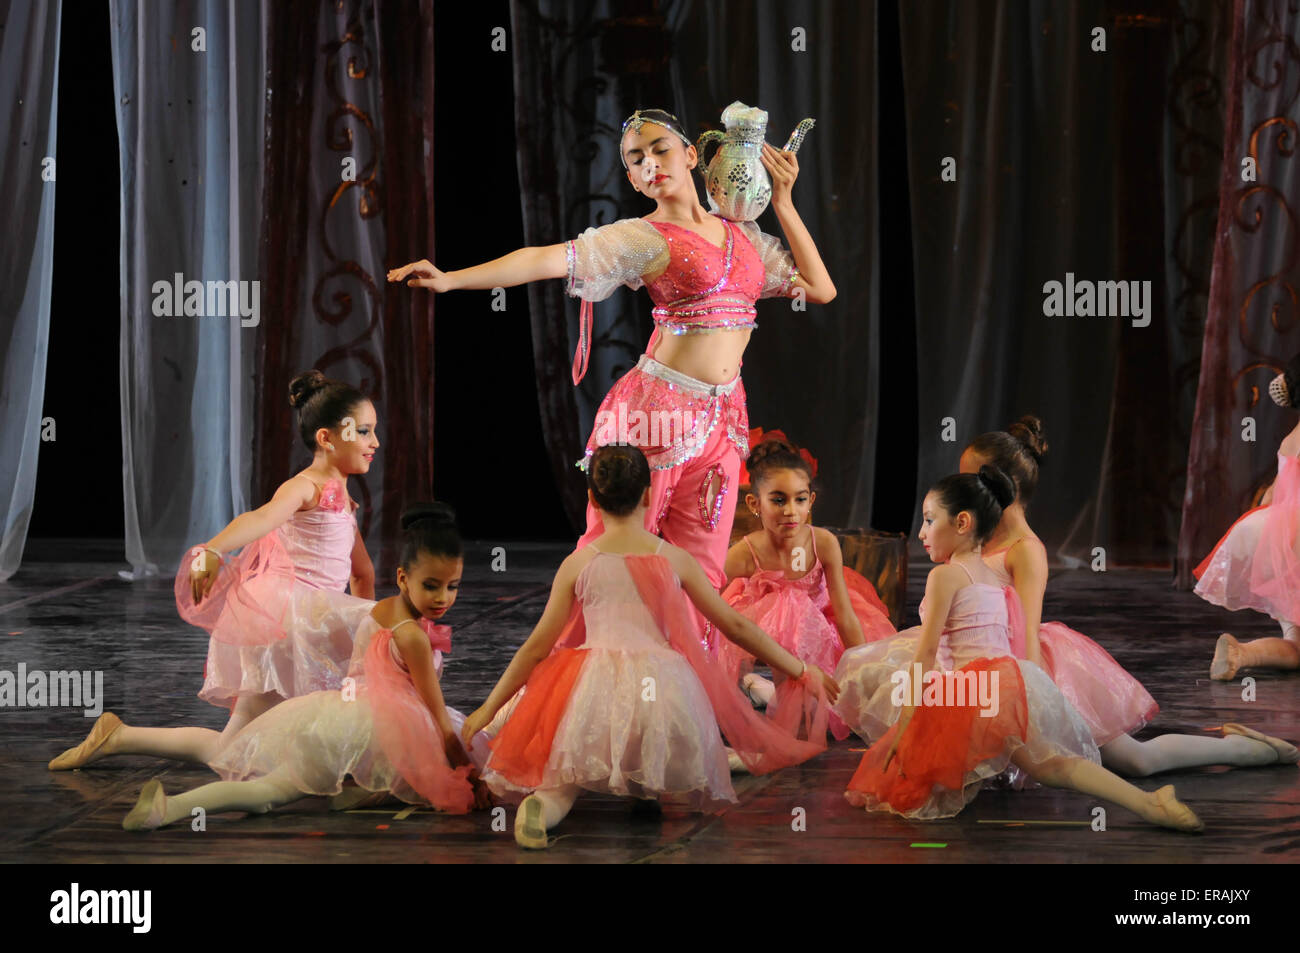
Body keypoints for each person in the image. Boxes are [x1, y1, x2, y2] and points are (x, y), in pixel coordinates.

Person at [387, 107, 836, 593]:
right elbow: (545, 259)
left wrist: (785, 204)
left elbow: (819, 287)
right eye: (636, 159)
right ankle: (592, 659)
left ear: (691, 155)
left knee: (703, 569)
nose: (650, 163)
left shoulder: (743, 237)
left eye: (660, 150)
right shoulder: (641, 238)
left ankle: (682, 669)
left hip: (724, 415)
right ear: (633, 180)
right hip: (654, 416)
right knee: (614, 553)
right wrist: (453, 280)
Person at [460, 444, 839, 849]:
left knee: (564, 781)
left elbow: (536, 647)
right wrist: (800, 669)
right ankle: (644, 790)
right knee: (658, 773)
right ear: (647, 494)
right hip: (661, 692)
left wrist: (488, 708)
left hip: (592, 688)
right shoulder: (674, 559)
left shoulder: (579, 564)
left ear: (591, 498)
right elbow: (735, 625)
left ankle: (545, 806)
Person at [839, 468, 1203, 832]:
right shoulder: (991, 579)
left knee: (903, 785)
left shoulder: (944, 577)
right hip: (1007, 682)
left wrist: (905, 723)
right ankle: (1148, 803)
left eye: (929, 520)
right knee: (1051, 765)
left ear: (963, 522)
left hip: (969, 691)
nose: (920, 532)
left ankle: (1150, 804)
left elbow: (926, 652)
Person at [50, 370, 378, 771]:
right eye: (363, 431)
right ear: (326, 438)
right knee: (241, 756)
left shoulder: (344, 500)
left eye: (373, 431)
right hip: (284, 624)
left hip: (313, 626)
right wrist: (212, 549)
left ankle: (120, 736)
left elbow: (363, 573)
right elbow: (259, 518)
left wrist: (361, 647)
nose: (374, 442)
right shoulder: (306, 486)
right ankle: (119, 737)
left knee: (235, 751)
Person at [122, 504, 492, 830]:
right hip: (379, 731)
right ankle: (172, 808)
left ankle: (171, 807)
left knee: (268, 791)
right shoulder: (412, 637)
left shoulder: (382, 610)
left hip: (337, 720)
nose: (443, 597)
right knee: (472, 761)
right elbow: (440, 723)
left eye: (452, 586)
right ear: (401, 578)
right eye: (431, 586)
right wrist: (470, 776)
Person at [961, 416, 1297, 774]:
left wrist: (1032, 703)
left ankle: (1239, 749)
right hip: (982, 669)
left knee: (1135, 761)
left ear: (1003, 485)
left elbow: (1026, 635)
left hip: (1029, 670)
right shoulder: (975, 538)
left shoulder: (1024, 549)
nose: (960, 487)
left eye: (971, 479)